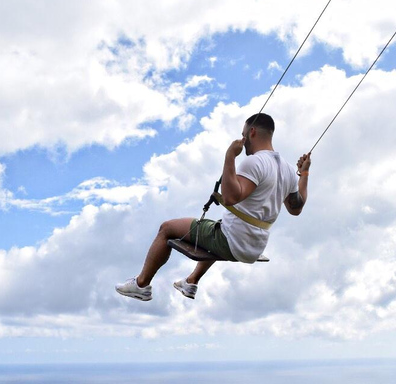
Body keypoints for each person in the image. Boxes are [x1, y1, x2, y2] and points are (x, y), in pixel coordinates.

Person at [116, 113, 311, 301]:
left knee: (167, 228)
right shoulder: (285, 168)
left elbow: (229, 197)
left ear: (252, 132)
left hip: (233, 241)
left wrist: (229, 157)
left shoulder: (254, 162)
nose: (242, 141)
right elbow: (296, 208)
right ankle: (191, 281)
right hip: (255, 246)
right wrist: (304, 174)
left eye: (243, 135)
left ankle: (141, 285)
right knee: (215, 226)